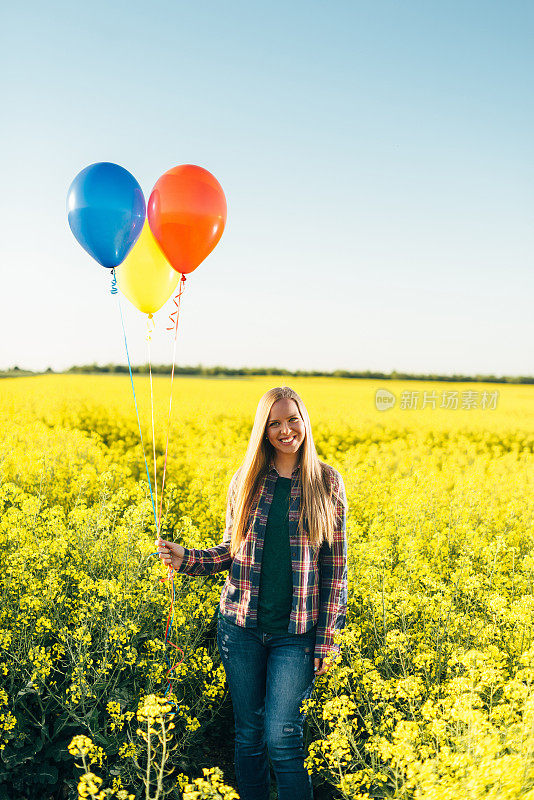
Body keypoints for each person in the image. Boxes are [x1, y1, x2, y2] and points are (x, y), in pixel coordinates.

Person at [156, 386, 348, 800]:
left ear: (305, 421)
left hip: (295, 634)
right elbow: (231, 549)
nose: (285, 430)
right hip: (240, 628)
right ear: (263, 430)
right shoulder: (246, 480)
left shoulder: (326, 482)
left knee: (282, 736)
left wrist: (327, 641)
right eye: (274, 423)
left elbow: (336, 571)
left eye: (292, 419)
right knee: (248, 736)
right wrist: (185, 558)